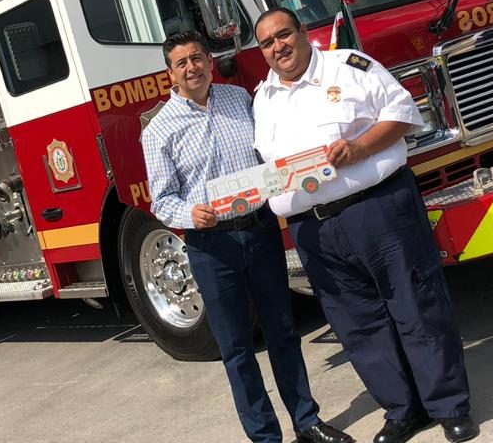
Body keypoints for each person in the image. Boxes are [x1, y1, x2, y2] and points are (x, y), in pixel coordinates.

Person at [251, 8, 477, 443]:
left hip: (377, 210)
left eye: (284, 35)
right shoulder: (263, 100)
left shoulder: (349, 66)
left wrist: (359, 148)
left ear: (302, 33)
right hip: (313, 229)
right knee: (358, 325)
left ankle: (450, 405)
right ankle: (402, 410)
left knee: (416, 305)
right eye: (267, 42)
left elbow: (404, 114)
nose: (279, 47)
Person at [141, 30, 353, 443]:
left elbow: (270, 156)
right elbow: (161, 200)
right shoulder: (159, 130)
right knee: (237, 349)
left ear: (208, 60)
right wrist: (190, 213)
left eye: (198, 58)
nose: (192, 68)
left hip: (258, 233)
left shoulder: (240, 100)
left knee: (283, 331)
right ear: (170, 73)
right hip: (211, 247)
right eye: (182, 63)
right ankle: (265, 437)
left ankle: (307, 421)